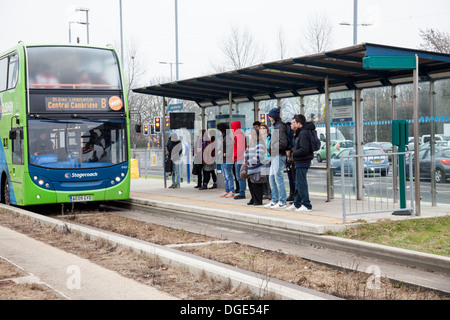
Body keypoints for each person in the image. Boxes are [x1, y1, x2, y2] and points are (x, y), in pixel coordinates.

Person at [286, 114, 314, 212]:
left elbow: (304, 149)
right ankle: (297, 203)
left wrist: (294, 153)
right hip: (300, 161)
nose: (293, 124)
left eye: (294, 122)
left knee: (301, 183)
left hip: (302, 161)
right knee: (298, 183)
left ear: (299, 123)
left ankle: (306, 204)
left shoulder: (303, 133)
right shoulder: (302, 132)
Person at [264, 108, 287, 209]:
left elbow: (283, 142)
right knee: (272, 178)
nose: (269, 118)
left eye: (269, 116)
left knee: (278, 178)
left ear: (272, 117)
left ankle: (282, 201)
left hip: (278, 155)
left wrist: (272, 148)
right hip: (274, 155)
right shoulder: (276, 126)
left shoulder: (280, 126)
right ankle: (275, 200)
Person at [245, 128, 266, 206]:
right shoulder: (251, 144)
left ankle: (258, 200)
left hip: (258, 168)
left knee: (257, 183)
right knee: (251, 183)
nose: (249, 135)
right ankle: (253, 198)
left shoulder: (259, 143)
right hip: (251, 168)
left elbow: (259, 155)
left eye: (251, 134)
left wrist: (252, 162)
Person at [217, 122, 236, 198]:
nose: (218, 132)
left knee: (228, 176)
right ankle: (227, 190)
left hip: (227, 159)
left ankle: (231, 191)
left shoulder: (227, 138)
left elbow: (230, 148)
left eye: (219, 130)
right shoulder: (225, 137)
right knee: (225, 176)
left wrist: (225, 153)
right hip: (223, 159)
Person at [231, 121, 247, 200]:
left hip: (239, 158)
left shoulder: (238, 135)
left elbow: (239, 148)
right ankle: (241, 192)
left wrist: (234, 156)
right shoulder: (240, 134)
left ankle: (242, 193)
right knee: (239, 177)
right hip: (239, 158)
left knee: (240, 177)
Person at [259, 123, 272, 200]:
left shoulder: (269, 137)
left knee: (267, 177)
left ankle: (269, 193)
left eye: (263, 128)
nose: (262, 130)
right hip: (261, 159)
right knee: (262, 177)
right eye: (260, 129)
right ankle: (264, 192)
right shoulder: (259, 138)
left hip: (267, 159)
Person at [285, 121, 296, 202]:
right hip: (291, 159)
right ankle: (293, 194)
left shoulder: (292, 135)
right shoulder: (292, 134)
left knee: (293, 178)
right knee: (291, 178)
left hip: (292, 159)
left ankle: (294, 195)